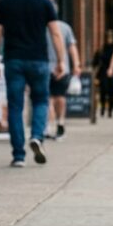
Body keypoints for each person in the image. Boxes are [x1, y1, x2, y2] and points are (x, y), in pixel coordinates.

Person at [0, 0, 65, 168]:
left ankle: (18, 155)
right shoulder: (44, 2)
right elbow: (56, 33)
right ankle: (37, 137)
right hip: (39, 59)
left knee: (15, 106)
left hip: (13, 59)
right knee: (40, 100)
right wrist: (61, 61)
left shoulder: (5, 3)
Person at [46, 10, 81, 141]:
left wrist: (76, 64)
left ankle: (51, 125)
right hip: (62, 67)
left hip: (47, 68)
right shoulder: (65, 26)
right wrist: (76, 64)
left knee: (49, 98)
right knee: (59, 97)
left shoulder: (43, 26)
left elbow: (72, 47)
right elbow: (72, 48)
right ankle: (59, 123)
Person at [93, 29, 113, 118]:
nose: (109, 39)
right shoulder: (101, 49)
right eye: (108, 37)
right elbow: (95, 61)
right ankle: (103, 108)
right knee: (103, 91)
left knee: (112, 92)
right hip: (103, 73)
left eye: (111, 37)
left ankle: (110, 110)